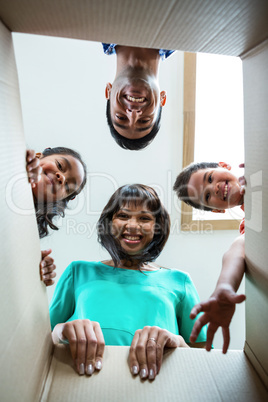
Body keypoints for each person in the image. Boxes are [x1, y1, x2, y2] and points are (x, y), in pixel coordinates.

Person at [49, 184, 207, 380]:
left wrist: (177, 341)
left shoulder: (180, 281)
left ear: (157, 228)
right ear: (108, 223)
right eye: (123, 216)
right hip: (77, 383)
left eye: (144, 218)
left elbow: (205, 360)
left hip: (158, 388)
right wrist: (58, 331)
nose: (132, 225)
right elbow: (39, 341)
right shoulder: (78, 271)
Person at [173, 162, 246, 353]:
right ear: (217, 210)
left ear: (224, 165)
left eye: (210, 178)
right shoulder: (250, 225)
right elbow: (238, 249)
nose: (214, 188)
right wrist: (224, 287)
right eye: (207, 196)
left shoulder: (257, 167)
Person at [26, 147, 87, 286]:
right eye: (59, 165)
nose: (62, 177)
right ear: (38, 155)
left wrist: (33, 263)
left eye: (67, 187)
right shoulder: (12, 158)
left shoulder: (29, 232)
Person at [103, 44, 175, 150]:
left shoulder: (94, 30)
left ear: (108, 91)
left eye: (121, 117)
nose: (133, 113)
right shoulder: (187, 35)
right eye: (144, 120)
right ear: (162, 99)